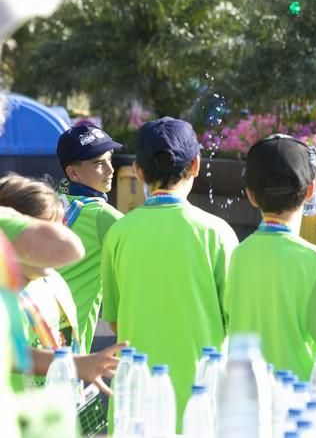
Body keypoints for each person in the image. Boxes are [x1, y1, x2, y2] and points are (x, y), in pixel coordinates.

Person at [101, 116, 239, 431]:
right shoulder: (217, 233)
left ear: (136, 170)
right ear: (195, 165)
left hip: (134, 404)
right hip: (203, 402)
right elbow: (235, 317)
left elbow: (114, 319)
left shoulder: (119, 233)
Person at [223, 134, 316, 382]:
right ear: (310, 191)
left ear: (250, 195)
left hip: (249, 399)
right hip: (302, 405)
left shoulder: (239, 255)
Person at [0, 175, 126, 395]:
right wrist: (77, 364)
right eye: (48, 230)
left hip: (53, 415)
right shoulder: (5, 290)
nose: (63, 234)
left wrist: (78, 367)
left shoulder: (54, 281)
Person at [55, 124, 124, 354]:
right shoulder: (103, 216)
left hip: (36, 328)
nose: (110, 169)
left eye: (110, 159)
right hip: (67, 343)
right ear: (73, 173)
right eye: (98, 164)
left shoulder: (53, 201)